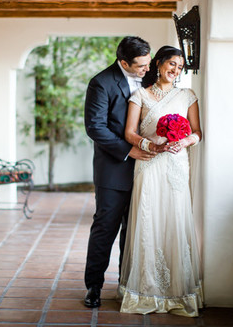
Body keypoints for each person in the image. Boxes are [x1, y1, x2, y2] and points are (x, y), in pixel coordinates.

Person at [118, 45, 203, 317]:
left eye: (179, 67)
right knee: (148, 219)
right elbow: (129, 133)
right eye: (171, 64)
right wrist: (149, 143)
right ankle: (146, 290)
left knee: (174, 218)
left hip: (177, 164)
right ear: (158, 63)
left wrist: (184, 140)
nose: (175, 70)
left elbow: (198, 132)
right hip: (149, 163)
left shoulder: (187, 95)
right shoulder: (139, 95)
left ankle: (177, 291)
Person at [83, 36, 159, 308]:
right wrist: (129, 151)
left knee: (137, 229)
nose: (146, 70)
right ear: (123, 62)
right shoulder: (101, 83)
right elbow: (95, 127)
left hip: (150, 168)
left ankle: (128, 284)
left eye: (148, 64)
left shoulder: (152, 77)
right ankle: (94, 286)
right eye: (140, 66)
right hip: (114, 169)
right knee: (106, 228)